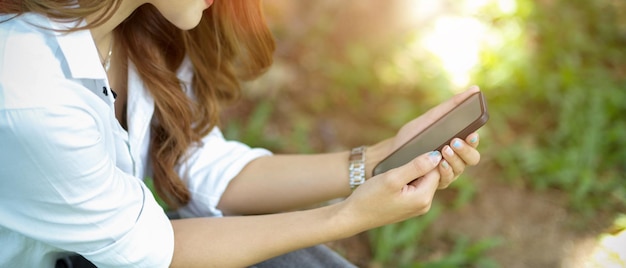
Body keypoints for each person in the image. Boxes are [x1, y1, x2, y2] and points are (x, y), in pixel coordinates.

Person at [0, 0, 482, 267]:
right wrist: (346, 218)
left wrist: (377, 160)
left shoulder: (136, 26)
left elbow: (195, 165)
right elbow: (153, 253)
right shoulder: (31, 93)